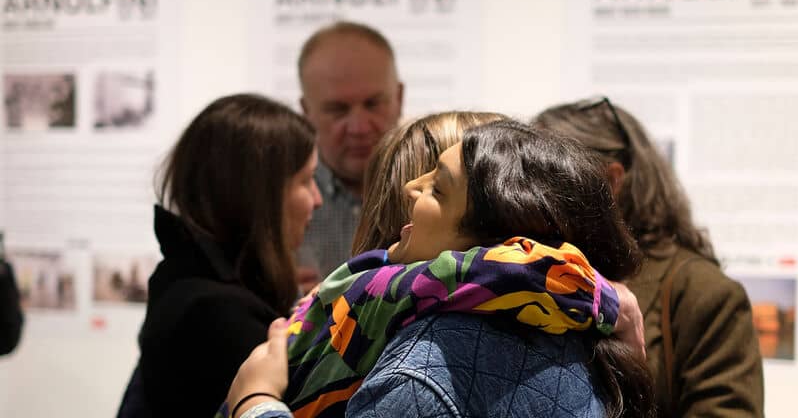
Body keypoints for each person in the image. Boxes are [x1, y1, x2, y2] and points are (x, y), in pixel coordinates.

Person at [224, 117, 654, 418]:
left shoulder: (422, 374)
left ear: (495, 241)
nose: (410, 188)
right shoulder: (571, 335)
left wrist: (256, 400)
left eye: (438, 188)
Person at [534, 97, 764, 418]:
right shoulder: (535, 271)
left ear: (611, 181)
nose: (526, 194)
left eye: (546, 177)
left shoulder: (705, 294)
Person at [118, 94, 322, 417]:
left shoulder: (189, 279)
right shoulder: (219, 314)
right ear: (260, 196)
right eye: (306, 180)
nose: (317, 198)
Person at [297, 21, 404, 284]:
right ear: (305, 111)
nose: (359, 128)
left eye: (373, 104)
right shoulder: (275, 209)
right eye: (337, 109)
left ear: (399, 98)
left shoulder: (449, 196)